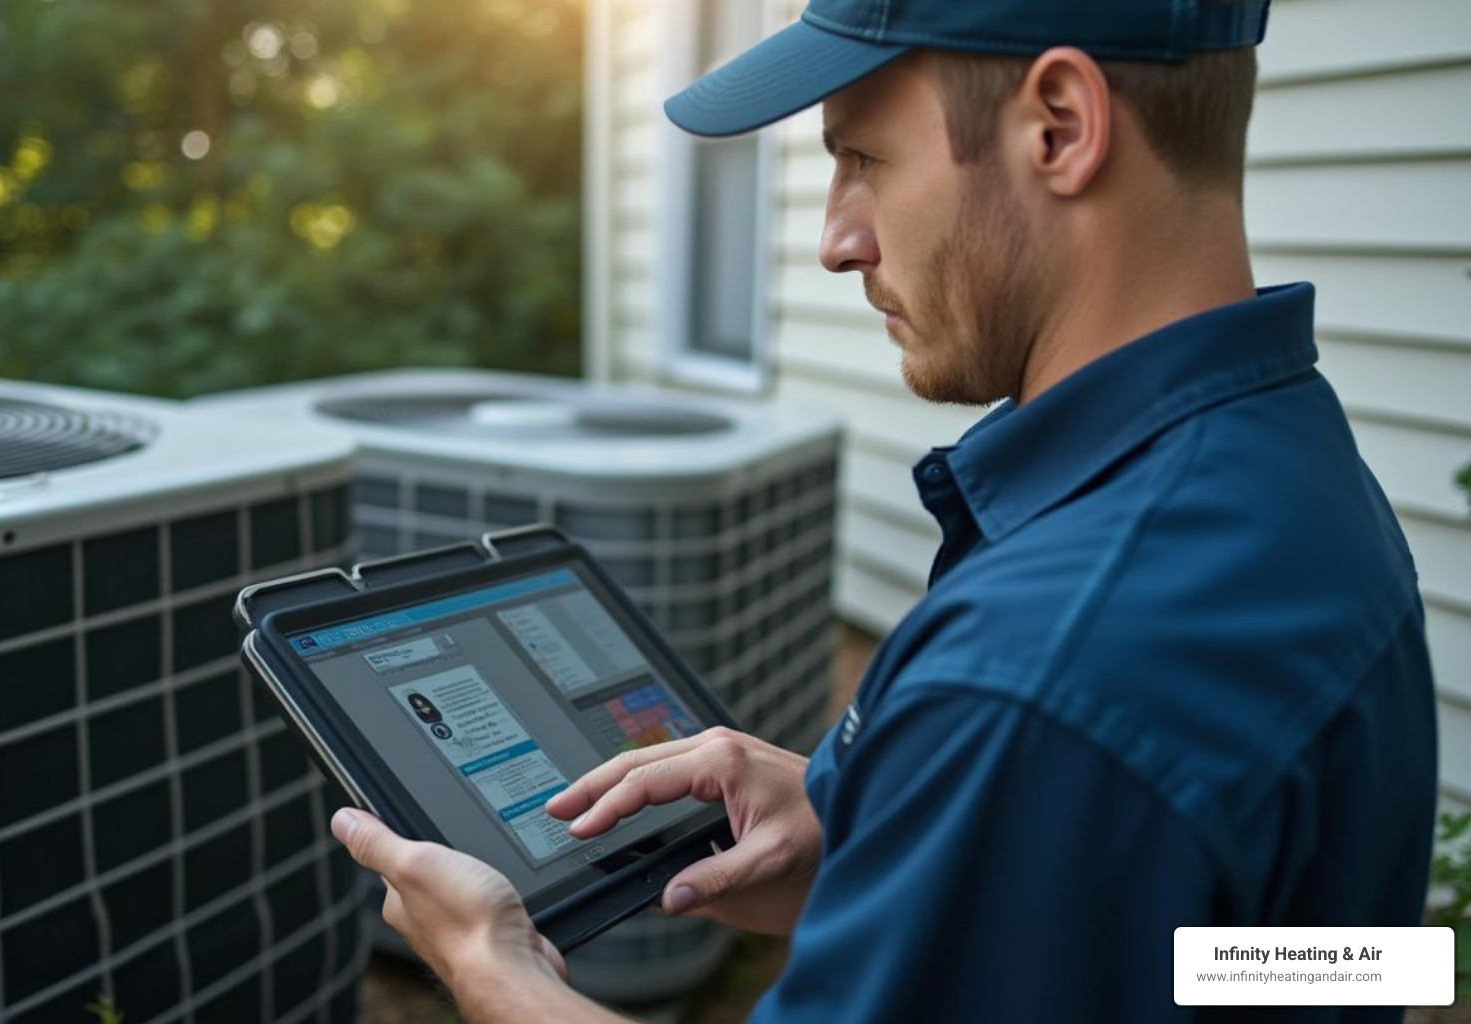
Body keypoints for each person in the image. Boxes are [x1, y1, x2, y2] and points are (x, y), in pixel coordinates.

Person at [330, 0, 1440, 1020]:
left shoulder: (1039, 671)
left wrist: (489, 965)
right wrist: (885, 846)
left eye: (863, 158)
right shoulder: (1296, 467)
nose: (836, 239)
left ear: (1058, 126)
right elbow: (1342, 952)